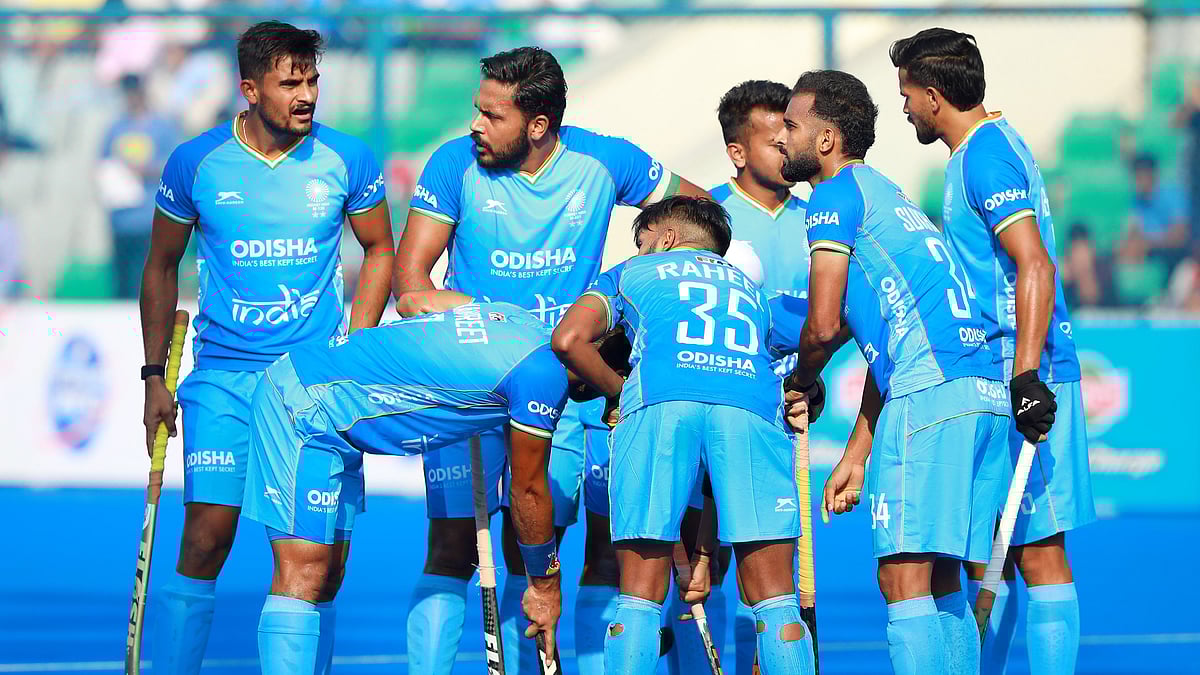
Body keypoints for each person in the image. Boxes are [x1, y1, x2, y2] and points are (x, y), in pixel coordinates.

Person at [392, 45, 708, 674]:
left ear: (538, 125)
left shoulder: (604, 159)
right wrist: (494, 324)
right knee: (453, 546)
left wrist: (634, 291)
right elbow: (411, 285)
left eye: (492, 115)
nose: (475, 126)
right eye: (476, 111)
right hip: (469, 379)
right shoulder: (454, 164)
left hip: (561, 386)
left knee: (542, 545)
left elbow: (697, 222)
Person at [140, 21, 394, 675]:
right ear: (249, 89)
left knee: (321, 565)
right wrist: (152, 378)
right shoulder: (195, 163)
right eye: (290, 82)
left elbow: (380, 249)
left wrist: (356, 351)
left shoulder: (349, 161)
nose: (306, 94)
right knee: (204, 537)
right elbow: (160, 265)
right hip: (223, 380)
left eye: (312, 79)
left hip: (311, 384)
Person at [241, 296, 621, 672]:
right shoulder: (544, 378)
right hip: (307, 407)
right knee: (305, 573)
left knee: (326, 577)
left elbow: (412, 300)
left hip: (333, 411)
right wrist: (544, 584)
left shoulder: (521, 319)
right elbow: (528, 490)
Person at [779, 69, 1011, 675]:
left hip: (931, 398)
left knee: (902, 577)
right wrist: (857, 451)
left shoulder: (831, 198)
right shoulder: (888, 195)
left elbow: (824, 326)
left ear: (827, 139)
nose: (782, 137)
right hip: (981, 392)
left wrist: (800, 381)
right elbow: (893, 341)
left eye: (792, 125)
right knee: (939, 581)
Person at [891, 28, 1098, 675]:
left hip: (1024, 371)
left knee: (1037, 553)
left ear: (932, 96)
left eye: (906, 96)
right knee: (989, 555)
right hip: (991, 374)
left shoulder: (985, 155)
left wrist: (1028, 373)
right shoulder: (972, 156)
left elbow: (1033, 263)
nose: (903, 110)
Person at [552, 195, 817, 675]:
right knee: (776, 601)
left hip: (661, 402)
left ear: (666, 238)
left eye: (641, 241)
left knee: (638, 598)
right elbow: (826, 325)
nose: (639, 249)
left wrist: (618, 392)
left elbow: (568, 340)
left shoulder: (630, 274)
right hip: (751, 405)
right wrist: (806, 383)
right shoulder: (753, 291)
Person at [703, 78, 811, 673]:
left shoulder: (821, 217)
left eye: (791, 135)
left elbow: (841, 313)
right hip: (713, 408)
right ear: (739, 152)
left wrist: (812, 373)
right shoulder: (707, 219)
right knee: (700, 563)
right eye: (776, 140)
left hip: (780, 420)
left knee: (769, 572)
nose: (788, 151)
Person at [97, 73, 178, 299]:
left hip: (150, 218)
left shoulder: (162, 127)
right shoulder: (115, 128)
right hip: (121, 217)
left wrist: (146, 170)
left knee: (147, 281)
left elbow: (175, 165)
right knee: (122, 282)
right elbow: (103, 163)